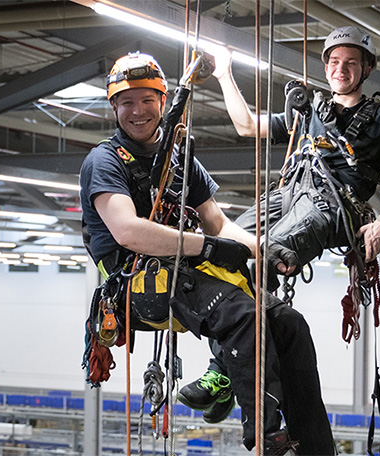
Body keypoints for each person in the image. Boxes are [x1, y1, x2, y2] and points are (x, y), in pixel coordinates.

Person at [80, 51, 335, 455]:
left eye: (147, 99)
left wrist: (261, 249)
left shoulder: (180, 158)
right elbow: (127, 231)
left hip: (182, 270)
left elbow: (216, 221)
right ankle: (266, 437)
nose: (138, 111)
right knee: (243, 316)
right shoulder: (105, 161)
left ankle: (317, 448)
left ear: (162, 102)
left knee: (288, 324)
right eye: (127, 102)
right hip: (138, 282)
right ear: (114, 108)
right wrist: (209, 248)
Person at [216, 25, 380, 268]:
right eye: (334, 61)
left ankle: (257, 304)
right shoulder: (308, 112)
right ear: (326, 68)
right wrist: (223, 74)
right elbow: (247, 126)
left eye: (351, 62)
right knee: (221, 247)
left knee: (264, 261)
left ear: (366, 69)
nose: (341, 69)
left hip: (333, 208)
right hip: (287, 196)